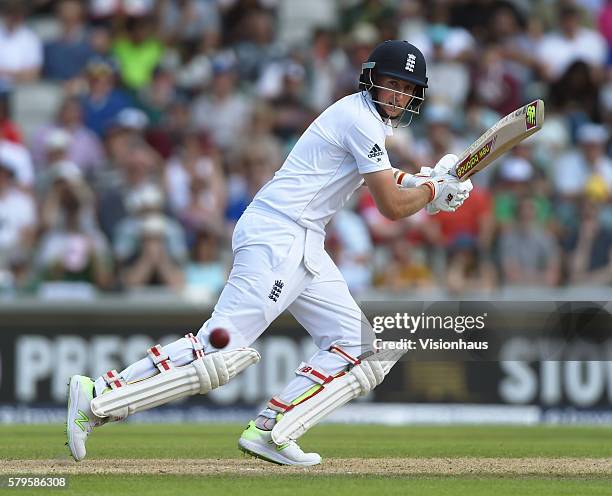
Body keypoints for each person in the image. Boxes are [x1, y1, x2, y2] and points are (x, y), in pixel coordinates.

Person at [66, 40, 472, 465]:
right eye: (391, 84)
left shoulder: (365, 120)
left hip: (304, 240)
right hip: (278, 234)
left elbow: (384, 176)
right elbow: (389, 206)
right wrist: (431, 191)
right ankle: (98, 395)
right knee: (222, 350)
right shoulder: (360, 118)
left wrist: (423, 182)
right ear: (370, 79)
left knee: (360, 346)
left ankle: (271, 431)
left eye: (406, 88)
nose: (398, 95)